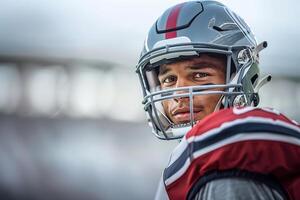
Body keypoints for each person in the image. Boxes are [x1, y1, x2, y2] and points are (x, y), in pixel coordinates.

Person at [135, 1, 300, 200]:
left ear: (241, 76)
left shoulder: (230, 164)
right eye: (169, 80)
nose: (178, 93)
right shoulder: (192, 159)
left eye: (199, 75)